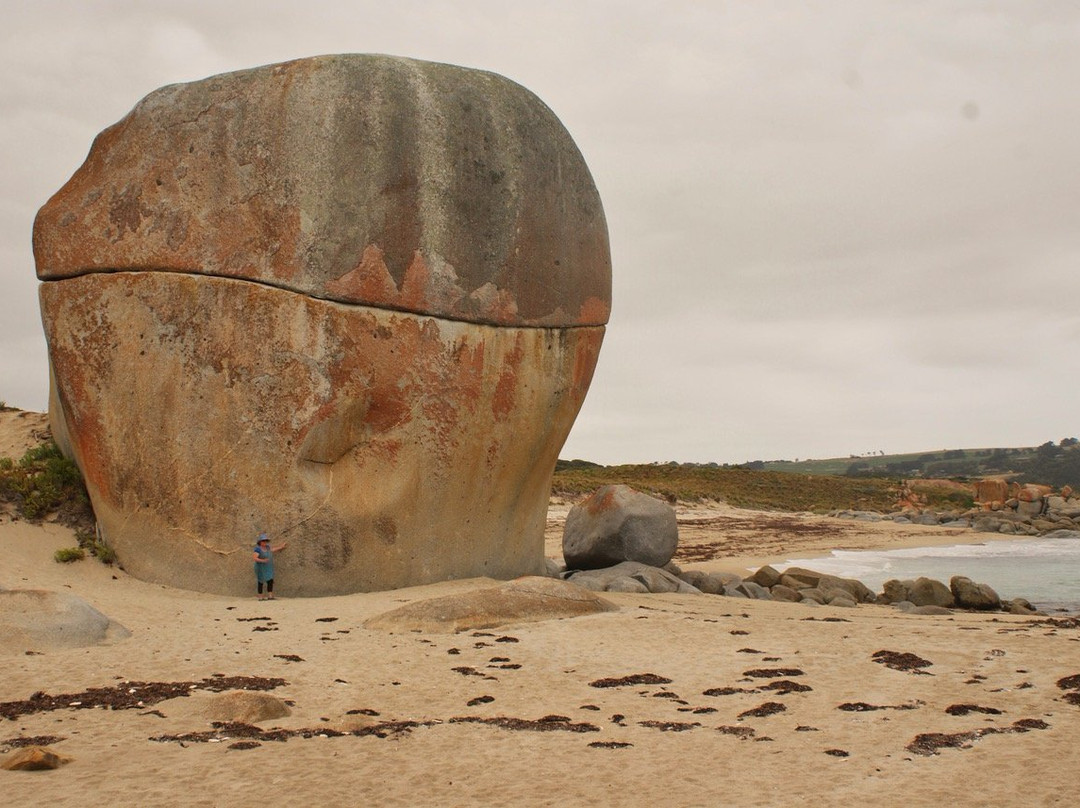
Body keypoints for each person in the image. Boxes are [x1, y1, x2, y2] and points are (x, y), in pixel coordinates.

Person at [253, 533, 288, 600]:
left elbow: (273, 549)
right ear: (260, 542)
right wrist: (263, 560)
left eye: (266, 541)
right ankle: (260, 596)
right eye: (263, 541)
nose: (265, 542)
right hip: (260, 567)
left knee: (270, 580)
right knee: (261, 581)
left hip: (268, 567)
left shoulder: (268, 547)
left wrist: (281, 547)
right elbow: (255, 558)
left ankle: (270, 595)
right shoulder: (257, 549)